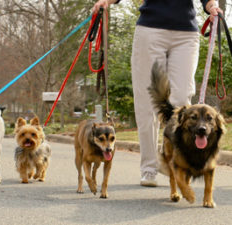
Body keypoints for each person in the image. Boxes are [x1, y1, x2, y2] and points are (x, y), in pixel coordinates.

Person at [93, 0, 223, 187]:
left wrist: (211, 6)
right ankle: (149, 167)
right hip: (150, 30)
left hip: (186, 33)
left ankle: (170, 157)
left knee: (181, 100)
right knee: (148, 103)